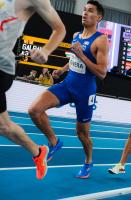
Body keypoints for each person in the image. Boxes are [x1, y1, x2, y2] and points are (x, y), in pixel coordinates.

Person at [28, 0, 108, 179]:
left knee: (82, 134)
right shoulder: (76, 35)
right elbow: (73, 58)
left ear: (99, 17)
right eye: (84, 10)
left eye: (90, 11)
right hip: (68, 84)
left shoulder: (101, 40)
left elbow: (102, 72)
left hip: (85, 92)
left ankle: (88, 161)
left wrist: (81, 55)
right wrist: (63, 70)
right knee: (34, 110)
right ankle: (54, 142)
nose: (85, 13)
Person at [0, 0, 66, 179]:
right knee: (4, 126)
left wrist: (46, 50)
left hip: (1, 68)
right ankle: (38, 152)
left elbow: (60, 29)